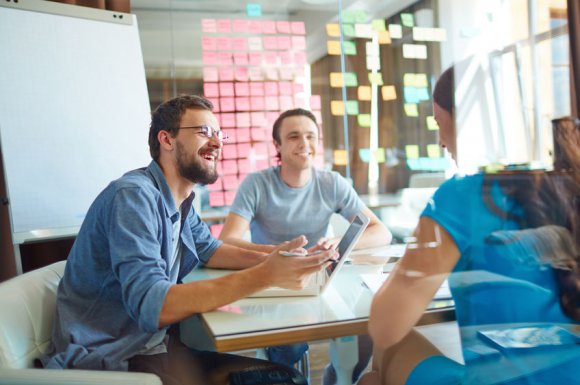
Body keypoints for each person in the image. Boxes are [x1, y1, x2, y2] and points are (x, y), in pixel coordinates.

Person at [41, 95, 337, 385]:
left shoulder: (181, 199)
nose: (217, 142)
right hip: (110, 357)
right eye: (203, 132)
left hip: (153, 346)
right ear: (166, 140)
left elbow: (210, 249)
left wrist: (275, 258)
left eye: (219, 134)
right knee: (287, 381)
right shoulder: (133, 197)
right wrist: (264, 275)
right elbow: (151, 305)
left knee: (287, 377)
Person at [358, 66, 580, 385]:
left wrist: (411, 263)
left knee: (383, 352)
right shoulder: (567, 186)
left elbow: (386, 326)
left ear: (466, 121)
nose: (440, 139)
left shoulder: (463, 196)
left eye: (439, 122)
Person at [218, 108, 392, 383]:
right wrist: (279, 255)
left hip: (321, 282)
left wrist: (338, 241)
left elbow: (381, 231)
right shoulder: (257, 184)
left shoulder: (331, 182)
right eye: (294, 136)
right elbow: (227, 240)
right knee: (291, 346)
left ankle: (335, 378)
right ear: (278, 144)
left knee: (365, 330)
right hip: (275, 286)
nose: (304, 143)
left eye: (311, 136)